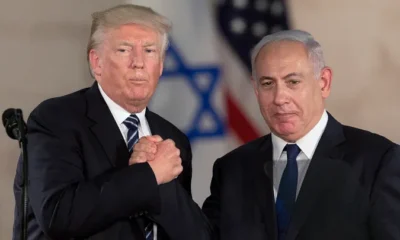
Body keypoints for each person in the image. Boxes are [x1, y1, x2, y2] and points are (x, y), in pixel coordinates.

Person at [13, 4, 212, 240]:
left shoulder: (172, 139)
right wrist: (147, 175)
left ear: (160, 66)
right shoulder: (56, 119)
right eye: (124, 50)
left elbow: (196, 235)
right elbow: (58, 215)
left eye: (149, 51)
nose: (138, 62)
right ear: (96, 63)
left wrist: (161, 181)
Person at [201, 30, 400, 240]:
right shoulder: (232, 169)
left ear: (323, 82)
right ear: (256, 89)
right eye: (268, 84)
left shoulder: (378, 161)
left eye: (293, 82)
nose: (279, 98)